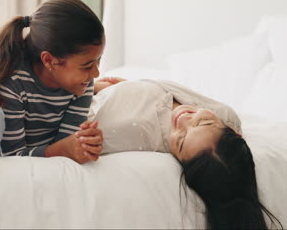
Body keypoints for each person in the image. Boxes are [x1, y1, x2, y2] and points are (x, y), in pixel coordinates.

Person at [89, 79, 281, 229]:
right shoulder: (226, 115)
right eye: (203, 121)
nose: (183, 120)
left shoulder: (135, 130)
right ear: (231, 130)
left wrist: (97, 87)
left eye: (180, 142)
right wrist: (129, 86)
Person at [0, 0, 106, 163]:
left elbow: (68, 141)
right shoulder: (13, 82)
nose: (95, 73)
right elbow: (12, 156)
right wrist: (61, 150)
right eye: (87, 65)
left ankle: (103, 87)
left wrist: (84, 144)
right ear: (49, 60)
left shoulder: (82, 83)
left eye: (98, 60)